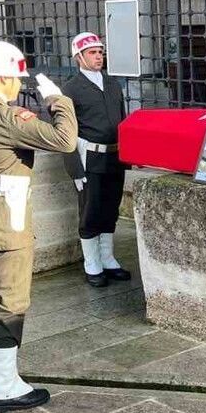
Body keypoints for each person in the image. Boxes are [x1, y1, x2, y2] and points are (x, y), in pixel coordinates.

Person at [0, 40, 78, 413]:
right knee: (9, 302)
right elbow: (66, 140)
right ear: (3, 78)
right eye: (17, 79)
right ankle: (3, 387)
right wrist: (57, 100)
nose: (21, 86)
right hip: (8, 224)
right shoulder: (5, 118)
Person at [62, 32, 131, 288]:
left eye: (100, 51)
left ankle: (107, 258)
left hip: (114, 157)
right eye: (92, 52)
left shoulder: (112, 84)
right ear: (79, 57)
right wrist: (74, 168)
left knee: (110, 209)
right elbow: (66, 132)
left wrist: (128, 155)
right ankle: (92, 263)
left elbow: (122, 119)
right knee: (90, 211)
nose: (98, 56)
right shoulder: (70, 89)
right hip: (89, 158)